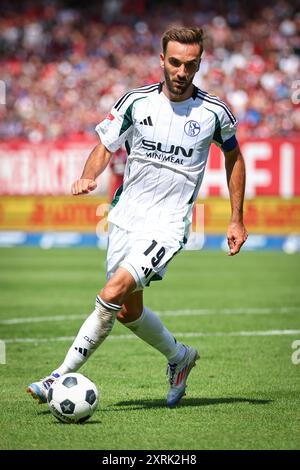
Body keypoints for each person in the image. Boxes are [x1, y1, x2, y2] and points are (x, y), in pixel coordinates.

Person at [27, 27, 247, 407]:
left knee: (111, 293)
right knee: (128, 310)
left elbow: (234, 156)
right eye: (174, 62)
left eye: (190, 65)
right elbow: (105, 145)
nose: (181, 71)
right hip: (125, 218)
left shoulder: (214, 113)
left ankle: (58, 376)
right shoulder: (135, 101)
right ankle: (180, 358)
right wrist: (89, 175)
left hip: (168, 225)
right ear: (162, 60)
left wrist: (236, 218)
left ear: (199, 64)